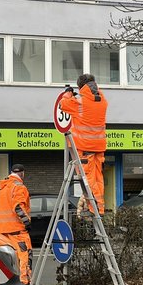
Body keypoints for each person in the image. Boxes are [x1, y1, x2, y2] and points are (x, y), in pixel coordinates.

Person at [59, 73, 108, 215]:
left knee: (89, 179)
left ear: (80, 87)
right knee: (98, 179)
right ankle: (100, 207)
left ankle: (95, 208)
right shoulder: (102, 100)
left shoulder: (79, 101)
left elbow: (63, 104)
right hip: (99, 146)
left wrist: (68, 94)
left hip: (84, 147)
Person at [0, 164, 32, 285]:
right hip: (18, 230)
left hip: (3, 230)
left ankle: (8, 283)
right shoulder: (19, 187)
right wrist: (27, 222)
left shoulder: (3, 187)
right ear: (22, 173)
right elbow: (18, 207)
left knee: (8, 258)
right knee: (24, 256)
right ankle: (25, 282)